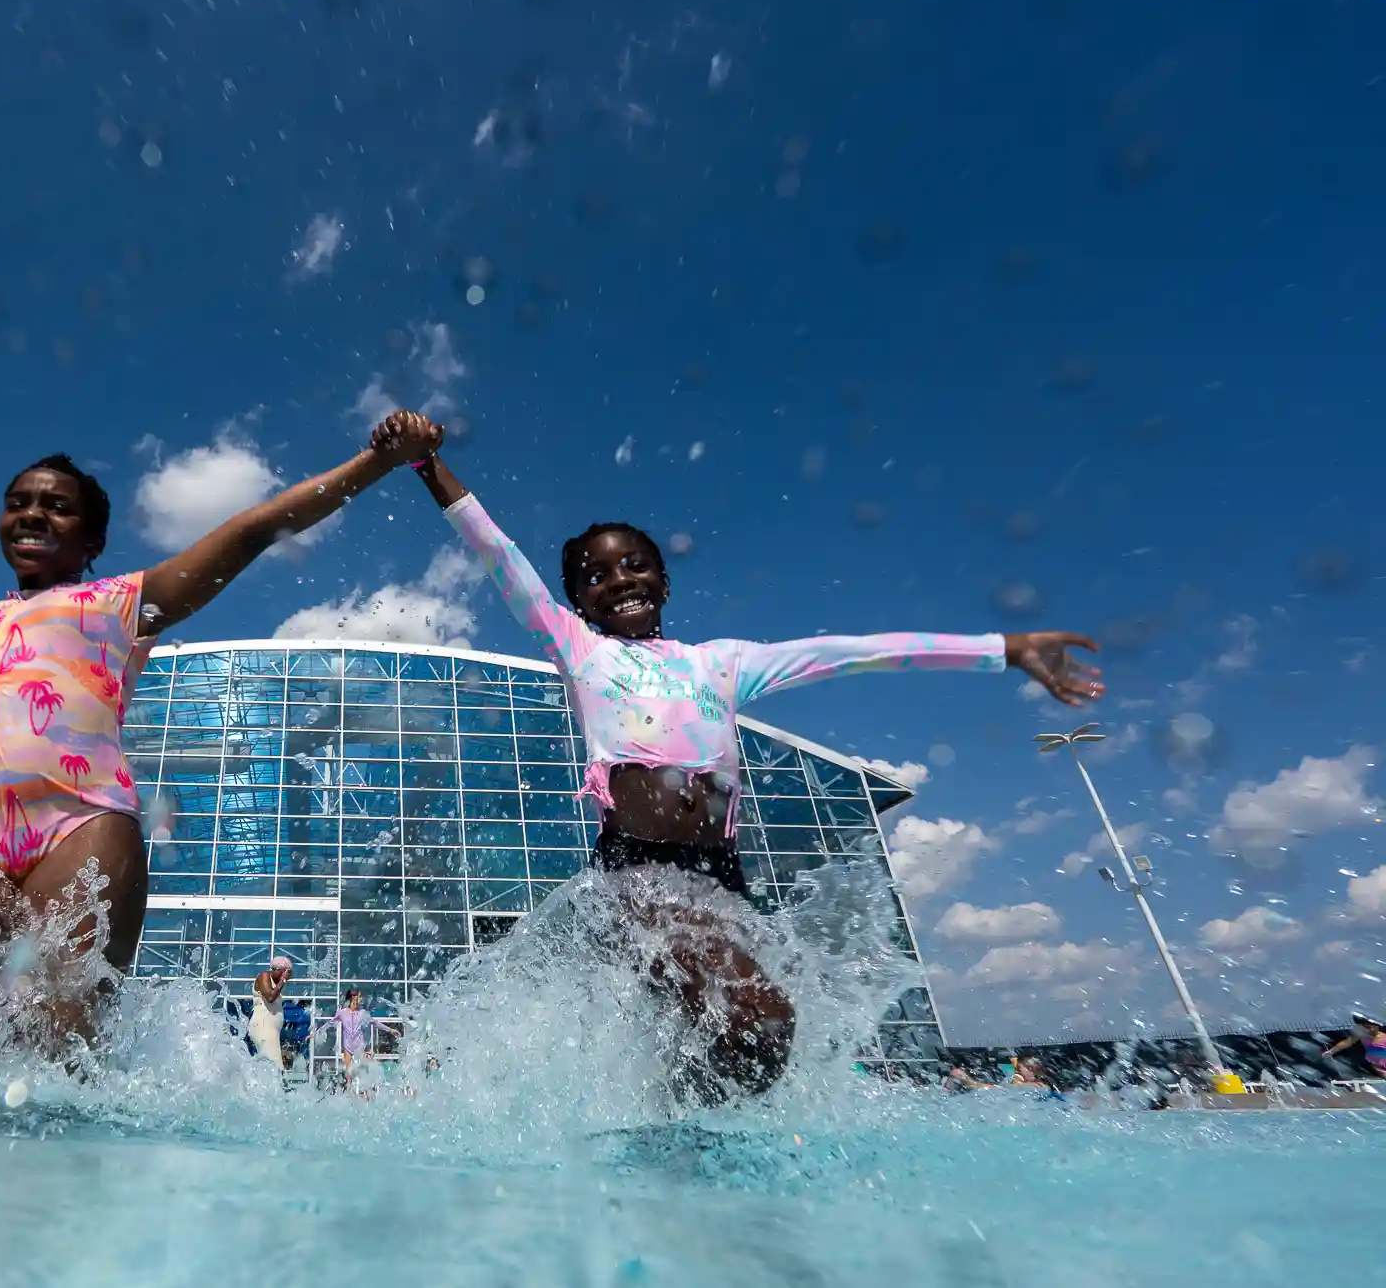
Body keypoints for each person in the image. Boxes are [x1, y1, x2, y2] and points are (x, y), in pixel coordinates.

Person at [386, 411, 1105, 1104]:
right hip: (636, 875)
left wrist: (1002, 650)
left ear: (664, 583)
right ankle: (687, 1145)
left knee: (737, 1038)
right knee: (757, 1020)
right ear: (577, 603)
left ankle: (677, 1135)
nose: (621, 580)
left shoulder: (722, 665)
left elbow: (853, 654)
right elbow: (498, 555)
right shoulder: (581, 652)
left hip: (724, 879)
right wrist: (428, 463)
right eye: (597, 577)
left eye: (636, 565)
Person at [0, 420, 441, 1103]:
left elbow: (250, 532)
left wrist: (376, 462)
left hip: (80, 826)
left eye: (57, 505)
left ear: (92, 540)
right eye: (18, 500)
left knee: (54, 1042)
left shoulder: (118, 603)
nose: (32, 512)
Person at [247, 957, 291, 1069]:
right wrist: (283, 980)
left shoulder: (276, 985)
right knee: (273, 1065)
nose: (285, 976)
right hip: (263, 1026)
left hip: (271, 1030)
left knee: (272, 1065)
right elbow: (270, 997)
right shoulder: (264, 976)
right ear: (276, 969)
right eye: (284, 972)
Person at [1322, 1014, 1386, 1079]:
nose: (1369, 1030)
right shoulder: (1364, 1034)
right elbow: (1348, 1042)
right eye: (1366, 1027)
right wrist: (1332, 1051)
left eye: (1369, 1027)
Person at [334, 989, 372, 1087]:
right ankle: (350, 1093)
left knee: (363, 1072)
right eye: (359, 996)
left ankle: (366, 1094)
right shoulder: (342, 1012)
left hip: (359, 1045)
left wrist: (390, 1030)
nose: (361, 998)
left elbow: (375, 1022)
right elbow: (329, 1023)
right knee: (349, 1074)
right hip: (348, 1047)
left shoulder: (362, 1012)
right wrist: (315, 1033)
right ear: (353, 998)